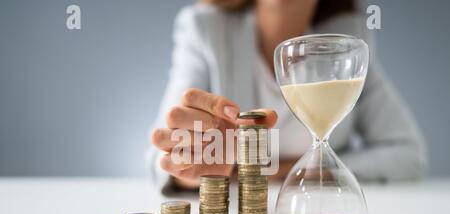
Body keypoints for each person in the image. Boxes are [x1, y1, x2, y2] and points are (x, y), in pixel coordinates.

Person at [148, 0, 427, 192]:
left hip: (319, 201)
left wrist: (303, 168)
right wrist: (196, 162)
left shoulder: (348, 39)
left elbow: (408, 154)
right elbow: (158, 160)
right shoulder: (204, 30)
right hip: (232, 210)